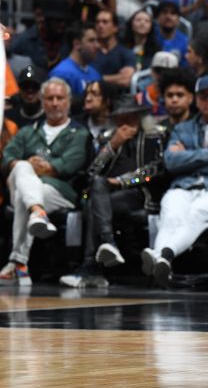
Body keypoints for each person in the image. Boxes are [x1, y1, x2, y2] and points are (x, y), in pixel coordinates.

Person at [141, 75, 208, 286]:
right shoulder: (184, 128)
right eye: (204, 97)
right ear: (196, 100)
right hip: (184, 185)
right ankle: (163, 258)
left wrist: (189, 156)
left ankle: (162, 255)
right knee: (171, 209)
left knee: (197, 212)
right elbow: (171, 162)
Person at [60, 95, 166, 288]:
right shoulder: (106, 138)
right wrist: (112, 146)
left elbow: (155, 169)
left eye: (131, 117)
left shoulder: (154, 136)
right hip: (105, 193)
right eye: (122, 118)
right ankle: (107, 244)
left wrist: (121, 181)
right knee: (97, 188)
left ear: (139, 117)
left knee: (94, 203)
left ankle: (91, 266)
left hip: (138, 193)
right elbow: (91, 172)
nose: (127, 122)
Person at [0, 78, 90, 285]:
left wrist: (36, 168)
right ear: (42, 101)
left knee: (27, 195)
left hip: (60, 193)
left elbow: (68, 166)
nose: (55, 103)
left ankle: (18, 263)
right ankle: (38, 212)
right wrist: (24, 166)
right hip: (25, 187)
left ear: (68, 101)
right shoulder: (27, 131)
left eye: (60, 98)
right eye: (50, 98)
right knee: (22, 167)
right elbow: (6, 158)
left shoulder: (79, 133)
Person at [49, 24, 102, 98]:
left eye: (97, 40)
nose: (97, 45)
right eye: (91, 40)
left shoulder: (95, 74)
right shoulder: (61, 73)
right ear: (77, 44)